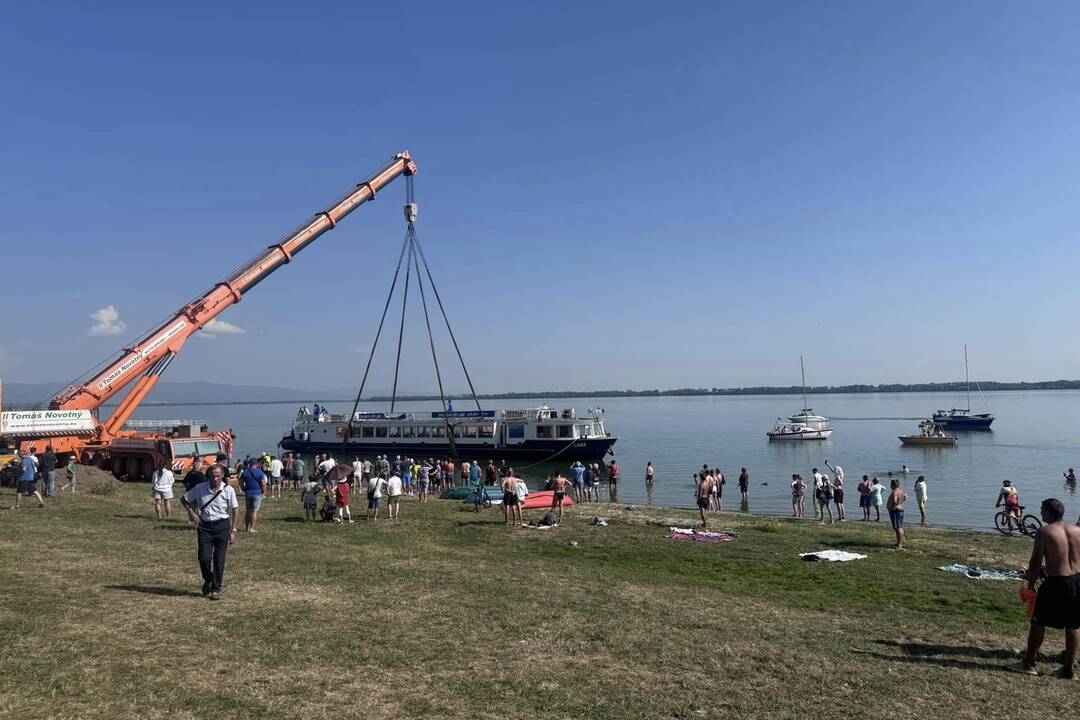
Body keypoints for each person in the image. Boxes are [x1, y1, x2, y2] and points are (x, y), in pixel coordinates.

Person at [1011, 498, 1080, 678]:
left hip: (1057, 582)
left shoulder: (1044, 532)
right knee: (1073, 624)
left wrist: (1030, 586)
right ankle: (1068, 670)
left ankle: (1029, 664)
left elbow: (1035, 562)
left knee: (1038, 621)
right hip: (1077, 581)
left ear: (1048, 513)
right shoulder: (1077, 530)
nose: (1040, 513)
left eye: (1042, 510)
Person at [180, 463, 239, 600]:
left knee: (219, 559)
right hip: (205, 526)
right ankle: (208, 578)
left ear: (223, 476)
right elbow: (184, 499)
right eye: (213, 476)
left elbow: (235, 510)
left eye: (218, 476)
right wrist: (192, 513)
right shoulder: (200, 488)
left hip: (222, 526)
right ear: (209, 476)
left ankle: (215, 589)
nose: (216, 479)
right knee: (204, 558)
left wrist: (233, 530)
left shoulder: (228, 490)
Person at [239, 458, 266, 533]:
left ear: (250, 463)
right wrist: (264, 492)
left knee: (248, 511)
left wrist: (243, 489)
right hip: (257, 493)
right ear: (257, 464)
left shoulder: (245, 472)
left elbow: (240, 482)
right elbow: (263, 484)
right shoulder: (260, 472)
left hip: (248, 493)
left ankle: (247, 528)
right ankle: (252, 528)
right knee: (254, 511)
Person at [887, 478, 908, 549]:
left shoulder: (894, 492)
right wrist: (901, 502)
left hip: (895, 511)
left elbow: (895, 501)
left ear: (892, 485)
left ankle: (899, 545)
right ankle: (899, 543)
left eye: (891, 484)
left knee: (898, 528)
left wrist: (893, 507)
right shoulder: (901, 491)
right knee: (900, 527)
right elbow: (905, 497)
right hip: (900, 510)